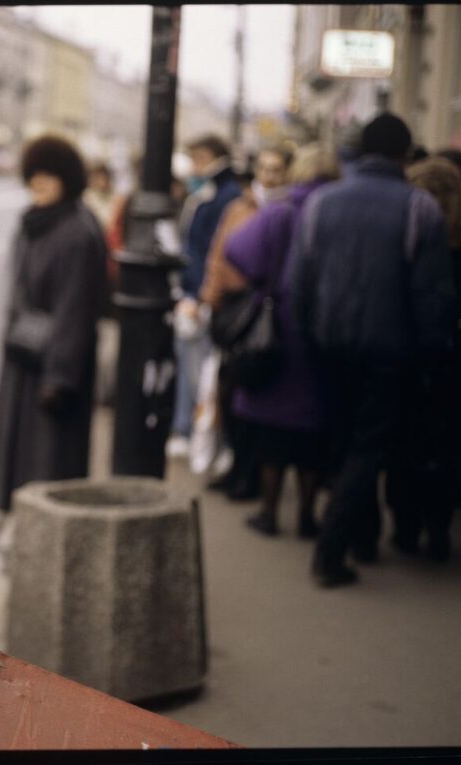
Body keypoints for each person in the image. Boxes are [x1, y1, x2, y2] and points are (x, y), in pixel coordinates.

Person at [290, 112, 455, 587]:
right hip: (389, 350)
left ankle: (360, 541)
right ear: (404, 154)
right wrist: (430, 355)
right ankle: (330, 553)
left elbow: (299, 280)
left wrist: (307, 334)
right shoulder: (419, 208)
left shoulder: (322, 202)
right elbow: (432, 294)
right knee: (367, 449)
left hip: (328, 343)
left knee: (344, 443)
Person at [221, 144, 339, 537]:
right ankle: (307, 514)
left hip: (277, 330)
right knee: (312, 430)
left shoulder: (280, 212)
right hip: (323, 332)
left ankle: (269, 512)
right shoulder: (335, 212)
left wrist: (264, 279)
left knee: (273, 431)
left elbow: (236, 250)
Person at [0, 135, 108, 511]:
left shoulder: (76, 230)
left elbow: (76, 311)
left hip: (54, 367)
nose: (37, 185)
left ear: (66, 180)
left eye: (48, 177)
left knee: (48, 461)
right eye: (33, 177)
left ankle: (44, 538)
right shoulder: (33, 222)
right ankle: (22, 530)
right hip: (24, 353)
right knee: (19, 456)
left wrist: (60, 378)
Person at [200, 146, 292, 498]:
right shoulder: (239, 208)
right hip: (235, 309)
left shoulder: (286, 211)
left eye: (277, 169)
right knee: (227, 392)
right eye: (264, 168)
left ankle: (250, 474)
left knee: (256, 395)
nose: (269, 176)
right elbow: (219, 253)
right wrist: (211, 297)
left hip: (268, 311)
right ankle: (236, 465)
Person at [385, 156, 461, 562]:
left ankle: (406, 527)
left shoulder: (408, 237)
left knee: (402, 441)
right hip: (451, 362)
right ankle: (436, 528)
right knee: (446, 443)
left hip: (408, 355)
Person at [168, 134, 241, 458]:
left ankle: (209, 438)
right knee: (191, 366)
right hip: (193, 291)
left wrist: (199, 295)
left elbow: (213, 250)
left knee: (203, 372)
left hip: (204, 296)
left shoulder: (224, 194)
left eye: (199, 157)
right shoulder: (206, 192)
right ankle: (189, 430)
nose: (194, 165)